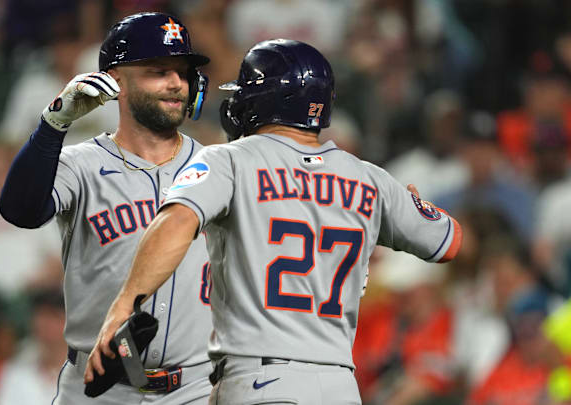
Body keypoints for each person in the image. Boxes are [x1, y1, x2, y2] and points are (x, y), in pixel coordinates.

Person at [86, 39, 463, 405]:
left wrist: (123, 306)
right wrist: (413, 203)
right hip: (341, 387)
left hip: (261, 381)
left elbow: (176, 222)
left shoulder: (228, 160)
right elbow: (451, 243)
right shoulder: (370, 178)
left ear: (262, 100)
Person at [0, 12, 214, 405]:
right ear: (116, 81)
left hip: (195, 388)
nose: (176, 84)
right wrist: (53, 124)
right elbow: (20, 211)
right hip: (99, 389)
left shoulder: (218, 167)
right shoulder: (81, 164)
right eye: (157, 70)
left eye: (182, 72)